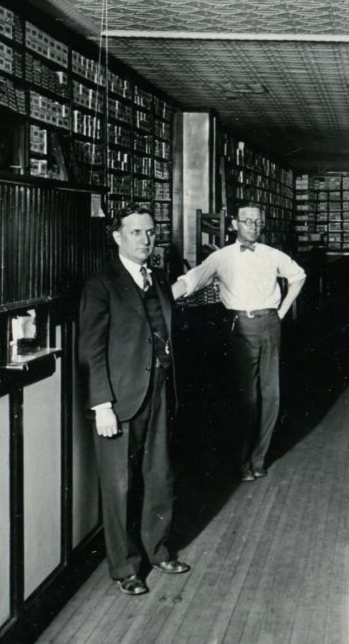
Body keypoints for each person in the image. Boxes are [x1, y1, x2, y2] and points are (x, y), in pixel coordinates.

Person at [78, 205, 190, 596]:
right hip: (120, 400)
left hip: (159, 392)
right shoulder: (101, 283)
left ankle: (158, 551)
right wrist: (101, 404)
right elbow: (90, 348)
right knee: (119, 487)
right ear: (117, 237)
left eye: (150, 232)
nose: (145, 240)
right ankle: (126, 567)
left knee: (160, 477)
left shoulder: (156, 279)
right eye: (136, 232)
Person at [172, 201, 306, 482]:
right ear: (234, 224)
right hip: (240, 326)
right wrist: (159, 298)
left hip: (270, 323)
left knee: (272, 395)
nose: (253, 226)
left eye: (258, 222)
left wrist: (281, 312)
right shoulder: (222, 257)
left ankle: (259, 459)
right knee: (247, 397)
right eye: (247, 221)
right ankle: (241, 461)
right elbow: (192, 280)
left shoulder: (272, 255)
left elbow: (298, 275)